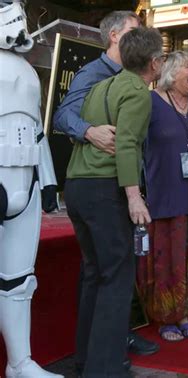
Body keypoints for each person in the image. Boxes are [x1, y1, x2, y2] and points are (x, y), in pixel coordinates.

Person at [53, 11, 158, 357]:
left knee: (103, 274)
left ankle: (98, 353)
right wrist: (88, 131)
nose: (137, 36)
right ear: (115, 36)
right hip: (105, 185)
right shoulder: (94, 74)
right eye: (133, 31)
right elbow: (63, 114)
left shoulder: (126, 80)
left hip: (91, 184)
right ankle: (104, 362)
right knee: (109, 275)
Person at [0, 1, 60, 377]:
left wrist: (49, 181)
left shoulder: (27, 70)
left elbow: (38, 132)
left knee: (20, 280)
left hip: (26, 181)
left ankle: (20, 362)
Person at [136, 51, 188, 342]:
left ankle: (184, 314)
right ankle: (166, 318)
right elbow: (133, 146)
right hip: (165, 197)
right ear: (170, 72)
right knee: (166, 260)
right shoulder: (150, 102)